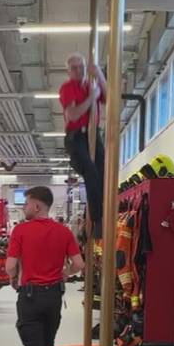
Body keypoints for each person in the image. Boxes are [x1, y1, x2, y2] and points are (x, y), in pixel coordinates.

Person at [5, 187, 85, 346]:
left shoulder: (20, 230)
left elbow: (10, 265)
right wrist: (63, 274)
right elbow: (79, 264)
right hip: (53, 297)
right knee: (47, 342)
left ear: (36, 206)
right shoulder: (64, 231)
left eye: (27, 203)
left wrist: (12, 279)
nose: (24, 207)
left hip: (29, 297)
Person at [59, 53, 105, 235]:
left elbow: (109, 98)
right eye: (74, 68)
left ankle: (101, 215)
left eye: (82, 67)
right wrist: (91, 98)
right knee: (91, 172)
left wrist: (99, 74)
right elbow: (73, 114)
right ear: (68, 71)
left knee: (103, 175)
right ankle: (97, 220)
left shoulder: (91, 84)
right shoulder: (67, 88)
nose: (79, 71)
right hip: (75, 137)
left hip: (93, 135)